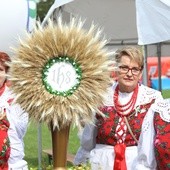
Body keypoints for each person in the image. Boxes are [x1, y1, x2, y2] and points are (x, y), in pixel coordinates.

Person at [73, 46, 164, 170]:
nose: (129, 74)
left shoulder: (153, 98)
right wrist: (81, 162)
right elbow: (88, 138)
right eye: (124, 68)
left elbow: (161, 139)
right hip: (102, 163)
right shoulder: (101, 96)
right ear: (116, 69)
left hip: (137, 164)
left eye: (135, 69)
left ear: (141, 72)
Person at [0, 52, 28, 169]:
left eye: (0, 69)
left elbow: (20, 130)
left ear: (6, 73)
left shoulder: (15, 97)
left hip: (13, 165)